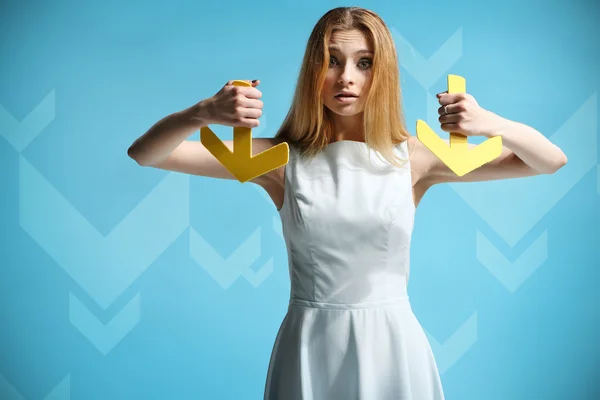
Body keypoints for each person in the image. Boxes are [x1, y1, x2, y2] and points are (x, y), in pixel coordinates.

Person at [127, 6, 567, 400]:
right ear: (312, 72)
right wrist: (202, 112)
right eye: (332, 62)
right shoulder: (278, 160)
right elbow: (147, 154)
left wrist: (492, 123)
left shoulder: (413, 158)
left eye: (364, 63)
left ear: (383, 74)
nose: (346, 78)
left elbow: (548, 161)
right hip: (308, 345)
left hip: (394, 345)